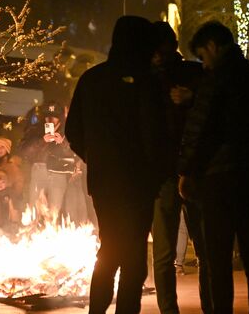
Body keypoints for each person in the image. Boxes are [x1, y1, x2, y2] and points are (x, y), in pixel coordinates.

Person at [178, 21, 249, 314]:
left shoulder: (214, 81)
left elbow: (200, 130)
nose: (204, 63)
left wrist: (186, 171)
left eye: (203, 56)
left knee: (218, 257)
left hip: (217, 179)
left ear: (212, 46)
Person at [66, 16, 167, 314]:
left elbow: (74, 131)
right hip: (139, 182)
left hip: (104, 180)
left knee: (109, 248)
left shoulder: (92, 78)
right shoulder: (148, 81)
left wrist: (96, 156)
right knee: (134, 254)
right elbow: (156, 132)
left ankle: (97, 310)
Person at [149, 21, 211, 314]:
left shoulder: (189, 76)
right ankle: (207, 306)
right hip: (184, 170)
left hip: (177, 171)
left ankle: (172, 310)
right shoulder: (195, 74)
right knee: (196, 249)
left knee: (168, 252)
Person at [21, 101, 76, 216]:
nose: (51, 120)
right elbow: (25, 152)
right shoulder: (35, 130)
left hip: (59, 172)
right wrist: (42, 141)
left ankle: (51, 230)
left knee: (54, 210)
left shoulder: (68, 131)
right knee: (34, 207)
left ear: (60, 118)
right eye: (48, 117)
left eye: (54, 117)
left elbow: (75, 154)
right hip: (39, 169)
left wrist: (63, 143)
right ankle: (32, 229)